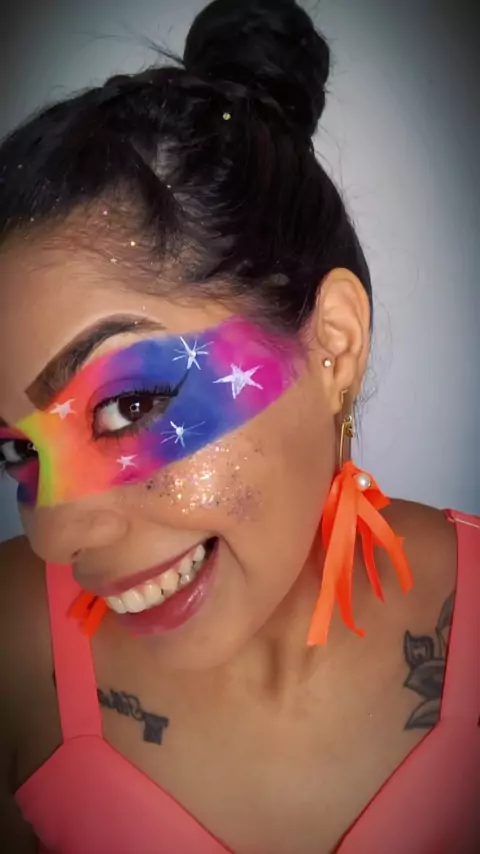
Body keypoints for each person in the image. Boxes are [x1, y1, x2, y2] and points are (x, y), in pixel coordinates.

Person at [0, 0, 478, 852]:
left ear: (332, 347)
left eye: (129, 405)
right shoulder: (12, 646)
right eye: (18, 451)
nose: (56, 534)